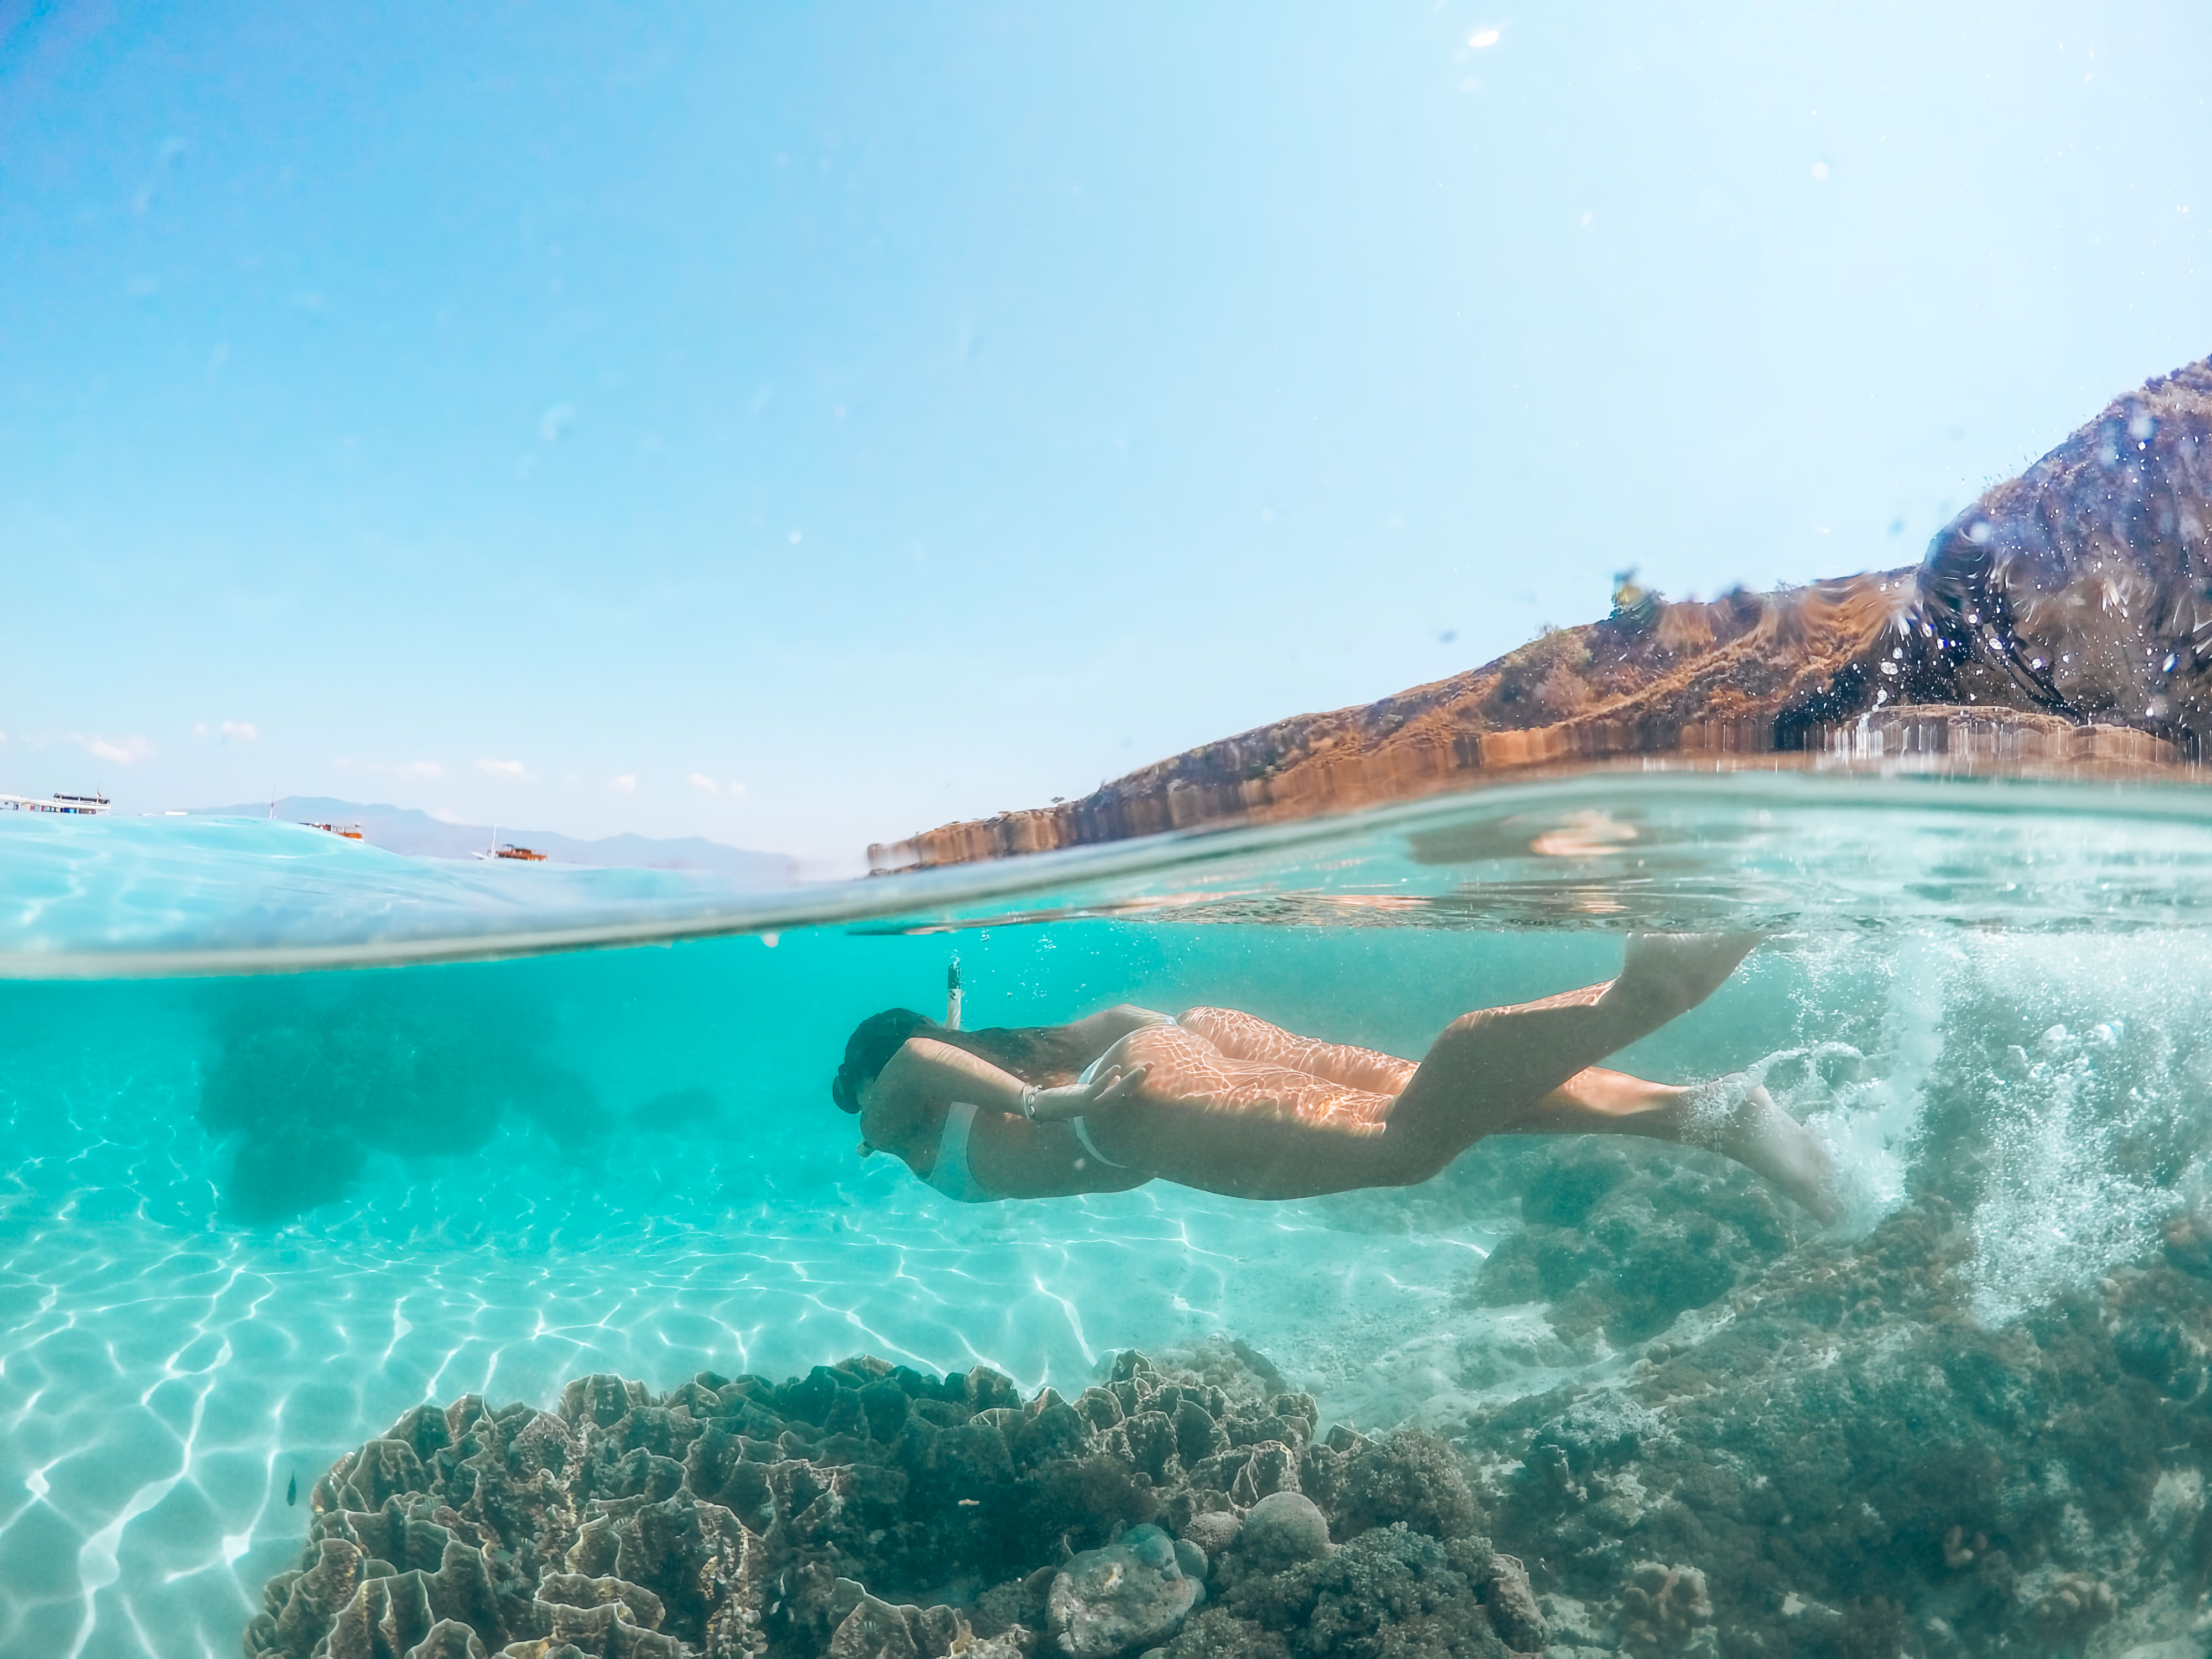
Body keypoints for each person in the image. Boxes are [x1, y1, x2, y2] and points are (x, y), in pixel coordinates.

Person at [830, 935, 1839, 1223]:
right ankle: (1708, 1113)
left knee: (1407, 1149)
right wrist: (1076, 1072)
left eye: (857, 1099)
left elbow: (915, 1059)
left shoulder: (902, 1115)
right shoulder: (997, 1047)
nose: (864, 1131)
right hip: (1183, 1042)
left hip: (1128, 1113)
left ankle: (1641, 995)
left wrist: (1044, 1103)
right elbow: (947, 1041)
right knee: (1458, 1109)